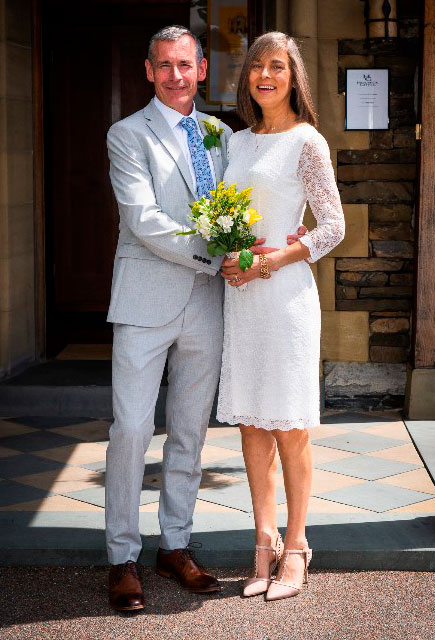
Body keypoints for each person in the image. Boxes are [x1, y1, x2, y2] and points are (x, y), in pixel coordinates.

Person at [105, 25, 233, 611]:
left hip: (208, 303)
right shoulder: (127, 134)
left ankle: (175, 545)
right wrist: (218, 255)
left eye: (185, 64)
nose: (175, 75)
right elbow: (144, 220)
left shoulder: (219, 135)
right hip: (144, 300)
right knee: (131, 430)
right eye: (164, 66)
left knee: (189, 430)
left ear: (202, 69)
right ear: (148, 70)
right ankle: (122, 557)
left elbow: (239, 206)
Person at [217, 31, 345, 602]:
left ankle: (296, 549)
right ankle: (262, 546)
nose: (264, 75)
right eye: (256, 67)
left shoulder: (306, 141)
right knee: (251, 427)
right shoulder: (236, 145)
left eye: (277, 66)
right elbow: (230, 217)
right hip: (241, 297)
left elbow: (332, 226)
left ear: (293, 77)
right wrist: (227, 251)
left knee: (290, 428)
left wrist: (274, 258)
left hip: (285, 295)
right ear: (246, 77)